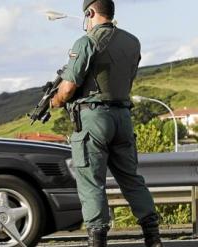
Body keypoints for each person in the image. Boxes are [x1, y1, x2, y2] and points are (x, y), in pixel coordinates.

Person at [50, 0, 163, 246]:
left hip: (94, 118)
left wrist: (56, 100)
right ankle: (153, 237)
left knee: (92, 182)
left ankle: (97, 239)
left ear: (90, 12)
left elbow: (68, 88)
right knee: (132, 179)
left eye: (86, 16)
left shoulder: (86, 42)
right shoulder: (133, 42)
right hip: (123, 116)